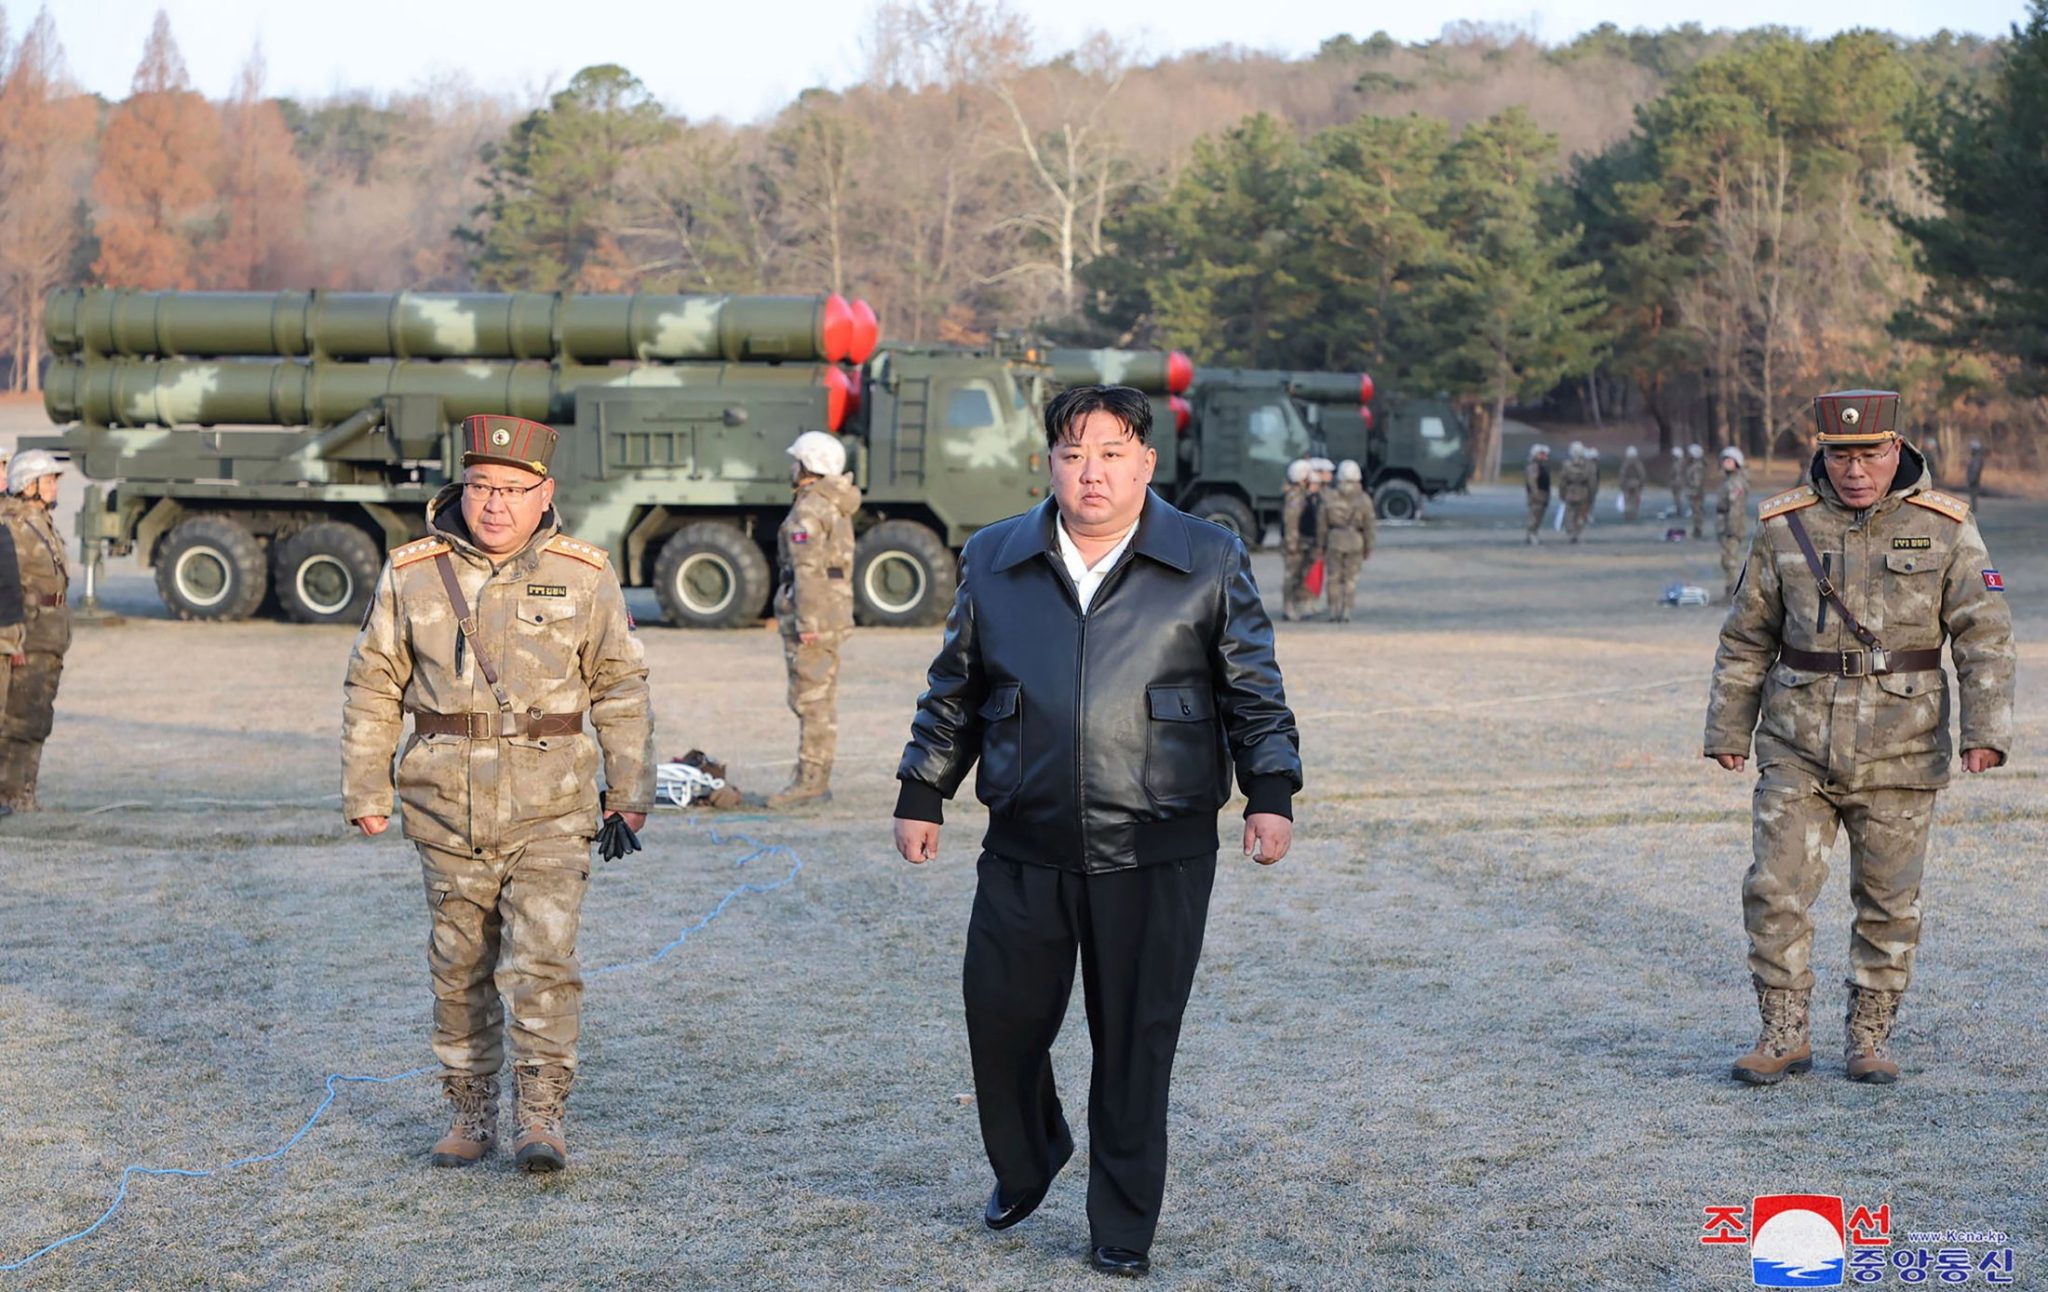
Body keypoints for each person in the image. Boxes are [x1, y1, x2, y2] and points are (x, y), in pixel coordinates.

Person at [892, 384, 1300, 1278]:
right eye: (1074, 453)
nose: (1092, 473)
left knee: (1135, 1043)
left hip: (1156, 846)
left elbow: (1254, 690)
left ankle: (1122, 1223)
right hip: (1025, 841)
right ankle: (1028, 1158)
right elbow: (953, 688)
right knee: (1000, 1022)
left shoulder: (1208, 556)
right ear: (1049, 462)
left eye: (1112, 453)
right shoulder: (995, 556)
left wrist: (1270, 789)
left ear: (1146, 463)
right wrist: (923, 790)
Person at [342, 414, 655, 1173]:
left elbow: (620, 684)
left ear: (544, 494)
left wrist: (630, 786)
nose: (495, 504)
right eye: (482, 486)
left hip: (553, 804)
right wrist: (365, 785)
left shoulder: (584, 573)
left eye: (513, 490)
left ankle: (541, 1114)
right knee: (458, 967)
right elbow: (373, 683)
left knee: (543, 964)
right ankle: (469, 1110)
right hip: (445, 806)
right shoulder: (412, 571)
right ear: (462, 487)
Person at [1704, 389, 2014, 1087]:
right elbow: (1745, 638)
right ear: (1823, 452)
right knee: (1774, 889)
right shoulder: (1784, 526)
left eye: (1869, 454)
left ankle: (1870, 1035)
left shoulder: (1946, 526)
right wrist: (1727, 726)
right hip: (1797, 742)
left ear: (1896, 448)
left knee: (1888, 902)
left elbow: (1985, 634)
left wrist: (1987, 729)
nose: (1854, 470)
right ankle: (1783, 1033)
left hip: (1902, 746)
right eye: (1841, 455)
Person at [767, 430, 862, 808]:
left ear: (809, 466)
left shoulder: (809, 510)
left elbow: (807, 570)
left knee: (811, 700)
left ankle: (811, 781)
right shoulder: (834, 503)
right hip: (832, 611)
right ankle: (813, 777)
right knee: (820, 697)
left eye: (797, 461)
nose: (792, 468)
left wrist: (807, 623)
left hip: (815, 615)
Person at [0, 450, 70, 815]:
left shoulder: (41, 522)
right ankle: (12, 793)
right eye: (49, 479)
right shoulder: (14, 526)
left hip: (49, 635)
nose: (55, 486)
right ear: (29, 485)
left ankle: (24, 790)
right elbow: (8, 586)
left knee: (38, 716)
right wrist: (14, 639)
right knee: (20, 719)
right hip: (28, 634)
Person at [1323, 459, 1377, 622]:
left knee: (1333, 577)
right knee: (1350, 579)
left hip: (1335, 540)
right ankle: (1346, 611)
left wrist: (1320, 544)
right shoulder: (1364, 499)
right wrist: (1369, 546)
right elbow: (1369, 525)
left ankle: (1333, 610)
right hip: (1355, 541)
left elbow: (1321, 524)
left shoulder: (1329, 497)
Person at [1280, 458, 1326, 621]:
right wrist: (1292, 544)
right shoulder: (1295, 496)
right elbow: (1291, 522)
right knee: (1292, 576)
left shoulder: (1304, 494)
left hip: (1305, 542)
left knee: (1301, 576)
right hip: (1296, 544)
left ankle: (1298, 605)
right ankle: (1288, 607)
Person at [1715, 446, 1751, 601]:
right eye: (1724, 460)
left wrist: (1732, 530)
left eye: (1729, 460)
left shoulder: (1736, 483)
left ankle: (1732, 593)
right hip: (1726, 525)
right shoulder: (1729, 481)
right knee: (1726, 559)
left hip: (1732, 527)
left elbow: (1736, 509)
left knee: (1730, 561)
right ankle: (1730, 591)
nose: (1725, 463)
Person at [1558, 442, 1595, 543]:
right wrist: (1591, 495)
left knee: (1570, 513)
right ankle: (1577, 532)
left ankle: (1571, 532)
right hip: (1583, 493)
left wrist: (1562, 494)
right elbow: (1592, 482)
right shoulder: (1588, 466)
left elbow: (1562, 481)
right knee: (1580, 514)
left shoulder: (1566, 465)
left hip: (1570, 492)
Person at [1524, 443, 1552, 545]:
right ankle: (1531, 534)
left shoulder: (1543, 466)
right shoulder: (1533, 466)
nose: (1544, 456)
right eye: (1541, 454)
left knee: (1539, 517)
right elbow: (1532, 482)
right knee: (1534, 517)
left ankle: (1533, 533)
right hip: (1537, 495)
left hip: (1543, 495)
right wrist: (1535, 494)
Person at [1684, 444, 1708, 539]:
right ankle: (1696, 529)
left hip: (1696, 493)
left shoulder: (1697, 467)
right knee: (1695, 512)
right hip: (1695, 492)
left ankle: (1697, 530)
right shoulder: (1694, 466)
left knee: (1697, 512)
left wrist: (1693, 492)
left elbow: (1697, 482)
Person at [1619, 446, 1647, 522]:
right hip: (1636, 484)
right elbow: (1642, 475)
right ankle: (1633, 515)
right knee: (1635, 501)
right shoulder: (1638, 464)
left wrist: (1622, 485)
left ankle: (1627, 515)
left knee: (1627, 501)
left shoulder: (1625, 464)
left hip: (1627, 484)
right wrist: (1641, 485)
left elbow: (1622, 475)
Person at [1966, 438, 1986, 509]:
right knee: (1972, 494)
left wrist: (1972, 478)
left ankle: (1974, 507)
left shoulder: (1977, 458)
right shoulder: (1975, 457)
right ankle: (1974, 506)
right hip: (1973, 478)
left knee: (1974, 493)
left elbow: (1976, 469)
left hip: (1974, 479)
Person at [1669, 446, 1687, 520]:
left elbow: (1675, 472)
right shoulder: (1680, 462)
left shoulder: (1679, 463)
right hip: (1678, 481)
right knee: (1677, 497)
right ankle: (1679, 510)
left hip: (1677, 482)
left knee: (1678, 497)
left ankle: (1680, 510)